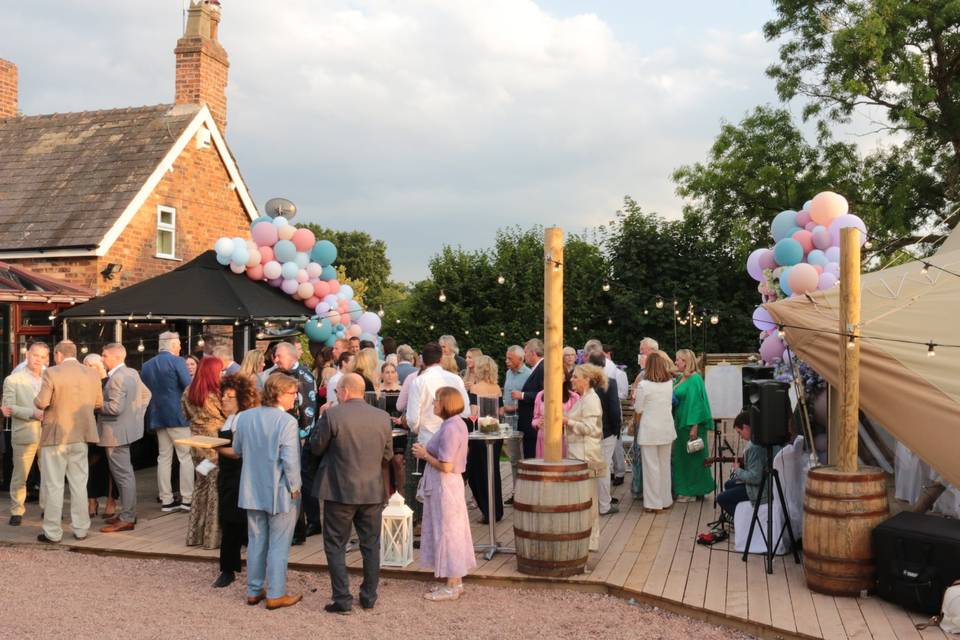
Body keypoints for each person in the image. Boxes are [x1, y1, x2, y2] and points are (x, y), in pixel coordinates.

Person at [310, 374, 393, 614]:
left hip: (339, 490)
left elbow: (316, 447)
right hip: (371, 490)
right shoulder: (382, 417)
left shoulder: (333, 415)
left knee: (335, 544)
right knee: (371, 545)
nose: (336, 396)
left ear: (345, 391)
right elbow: (387, 455)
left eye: (337, 392)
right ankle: (369, 597)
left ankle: (342, 599)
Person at [233, 373, 302, 610]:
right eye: (292, 393)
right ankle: (276, 593)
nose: (295, 398)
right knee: (279, 544)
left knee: (256, 541)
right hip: (280, 490)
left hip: (251, 488)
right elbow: (290, 460)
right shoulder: (287, 422)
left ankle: (253, 590)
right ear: (280, 394)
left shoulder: (244, 417)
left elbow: (237, 449)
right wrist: (295, 487)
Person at [34, 340, 104, 543]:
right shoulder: (92, 373)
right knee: (79, 484)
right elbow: (99, 403)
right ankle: (81, 529)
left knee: (54, 485)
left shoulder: (52, 373)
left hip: (56, 436)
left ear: (58, 354)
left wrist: (35, 402)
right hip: (81, 435)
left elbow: (42, 402)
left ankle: (53, 532)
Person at [412, 386, 476, 601]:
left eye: (436, 401)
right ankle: (455, 582)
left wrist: (423, 454)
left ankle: (451, 585)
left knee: (448, 532)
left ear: (446, 403)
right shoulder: (455, 424)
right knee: (451, 531)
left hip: (444, 484)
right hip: (448, 484)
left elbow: (446, 465)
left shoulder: (450, 427)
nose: (433, 404)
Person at [211, 374, 260, 588]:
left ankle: (229, 569)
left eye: (229, 397)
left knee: (233, 521)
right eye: (223, 396)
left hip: (239, 475)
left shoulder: (243, 418)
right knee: (229, 520)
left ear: (242, 398)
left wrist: (214, 446)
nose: (224, 399)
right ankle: (231, 566)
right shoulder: (230, 418)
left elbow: (239, 452)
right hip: (228, 475)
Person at [98, 344, 151, 533]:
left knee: (123, 475)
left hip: (115, 434)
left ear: (115, 357)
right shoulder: (132, 373)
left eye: (104, 355)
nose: (102, 359)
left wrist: (95, 403)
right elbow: (146, 395)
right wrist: (135, 417)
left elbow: (114, 408)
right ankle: (126, 514)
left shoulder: (117, 378)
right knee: (125, 474)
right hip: (126, 430)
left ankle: (127, 517)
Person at [272, 341, 320, 543]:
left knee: (301, 480)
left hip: (299, 438)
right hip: (283, 434)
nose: (275, 359)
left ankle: (310, 523)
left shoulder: (304, 377)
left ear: (291, 357)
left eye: (278, 356)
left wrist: (301, 438)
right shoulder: (278, 374)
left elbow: (309, 412)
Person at [141, 331, 194, 512]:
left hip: (157, 414)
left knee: (163, 458)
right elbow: (188, 386)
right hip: (178, 416)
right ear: (172, 345)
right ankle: (187, 499)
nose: (180, 347)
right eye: (178, 344)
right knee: (185, 457)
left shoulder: (147, 365)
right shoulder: (177, 361)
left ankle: (166, 500)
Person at [2, 341, 49, 527]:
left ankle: (48, 509)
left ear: (47, 358)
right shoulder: (13, 379)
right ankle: (16, 510)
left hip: (48, 433)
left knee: (48, 475)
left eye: (43, 356)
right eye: (35, 355)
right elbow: (9, 406)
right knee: (20, 475)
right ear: (27, 355)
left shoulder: (50, 377)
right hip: (24, 432)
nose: (39, 359)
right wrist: (33, 413)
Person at [182, 357, 226, 548]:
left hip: (196, 445)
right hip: (215, 444)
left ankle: (194, 535)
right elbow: (228, 414)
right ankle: (211, 537)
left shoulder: (189, 391)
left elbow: (185, 414)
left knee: (201, 484)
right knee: (215, 487)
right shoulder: (216, 394)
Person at [563, 363, 606, 552]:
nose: (571, 379)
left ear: (587, 379)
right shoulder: (583, 398)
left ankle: (591, 540)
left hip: (586, 456)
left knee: (588, 500)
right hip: (577, 455)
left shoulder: (591, 400)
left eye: (575, 377)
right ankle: (583, 537)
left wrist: (567, 421)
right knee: (581, 499)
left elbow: (590, 429)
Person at [716, 411, 780, 519]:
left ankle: (746, 520)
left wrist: (737, 470)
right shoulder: (764, 436)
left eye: (739, 432)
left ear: (745, 427)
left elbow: (755, 478)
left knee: (721, 498)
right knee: (729, 484)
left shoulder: (753, 446)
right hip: (769, 483)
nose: (740, 437)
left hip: (762, 490)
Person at [633, 351, 676, 512]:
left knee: (651, 467)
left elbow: (638, 408)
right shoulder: (669, 383)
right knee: (664, 466)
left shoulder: (644, 385)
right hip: (666, 428)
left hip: (650, 429)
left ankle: (653, 503)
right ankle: (665, 500)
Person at [672, 349, 716, 502]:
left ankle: (692, 491)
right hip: (681, 424)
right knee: (684, 458)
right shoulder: (680, 378)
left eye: (678, 359)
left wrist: (695, 426)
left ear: (686, 361)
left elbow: (697, 403)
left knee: (694, 458)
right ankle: (689, 489)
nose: (675, 362)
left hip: (691, 425)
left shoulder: (695, 379)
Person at [406, 343, 470, 446]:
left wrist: (420, 430)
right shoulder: (456, 379)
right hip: (453, 439)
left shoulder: (418, 381)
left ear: (423, 361)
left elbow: (413, 419)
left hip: (428, 439)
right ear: (441, 359)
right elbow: (465, 411)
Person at [465, 355, 503, 524]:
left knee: (475, 473)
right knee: (493, 470)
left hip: (479, 434)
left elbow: (473, 412)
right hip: (495, 432)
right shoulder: (497, 388)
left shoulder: (475, 388)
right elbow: (501, 412)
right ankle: (497, 510)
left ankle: (487, 510)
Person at [82, 353, 118, 519]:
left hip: (109, 429)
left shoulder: (109, 382)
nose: (91, 369)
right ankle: (91, 500)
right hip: (90, 429)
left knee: (112, 467)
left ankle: (111, 500)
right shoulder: (82, 384)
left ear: (102, 367)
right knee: (91, 466)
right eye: (88, 366)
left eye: (95, 366)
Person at [587, 351, 622, 515]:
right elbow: (615, 410)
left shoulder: (585, 383)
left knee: (592, 468)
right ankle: (604, 505)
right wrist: (617, 429)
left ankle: (592, 502)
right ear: (603, 365)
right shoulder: (610, 383)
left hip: (589, 432)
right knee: (604, 468)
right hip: (606, 431)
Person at [532, 371, 579, 458]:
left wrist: (563, 420)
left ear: (565, 377)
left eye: (559, 372)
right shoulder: (540, 395)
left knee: (562, 469)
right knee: (544, 469)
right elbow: (535, 418)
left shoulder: (574, 397)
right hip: (544, 438)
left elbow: (578, 421)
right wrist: (538, 423)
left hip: (564, 439)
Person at [513, 339, 544, 459]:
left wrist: (522, 395)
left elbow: (544, 394)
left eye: (525, 352)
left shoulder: (542, 368)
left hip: (533, 423)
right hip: (530, 423)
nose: (524, 356)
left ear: (533, 353)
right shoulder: (537, 368)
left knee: (532, 457)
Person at [379, 361, 405, 496]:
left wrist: (402, 419)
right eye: (387, 372)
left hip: (399, 430)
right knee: (384, 462)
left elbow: (407, 409)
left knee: (398, 461)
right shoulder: (378, 391)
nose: (390, 375)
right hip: (382, 430)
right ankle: (386, 497)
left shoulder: (402, 390)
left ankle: (400, 494)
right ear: (382, 374)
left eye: (393, 372)